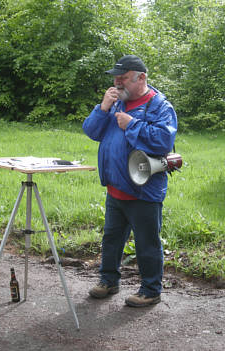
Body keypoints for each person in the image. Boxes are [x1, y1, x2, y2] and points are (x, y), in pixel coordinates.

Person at [82, 54, 177, 307]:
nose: (117, 83)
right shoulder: (115, 103)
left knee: (147, 242)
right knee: (111, 239)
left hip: (143, 190)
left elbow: (163, 141)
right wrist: (102, 108)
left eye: (122, 78)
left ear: (141, 77)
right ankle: (108, 281)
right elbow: (91, 131)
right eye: (115, 78)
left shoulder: (160, 107)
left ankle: (150, 290)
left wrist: (132, 125)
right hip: (115, 188)